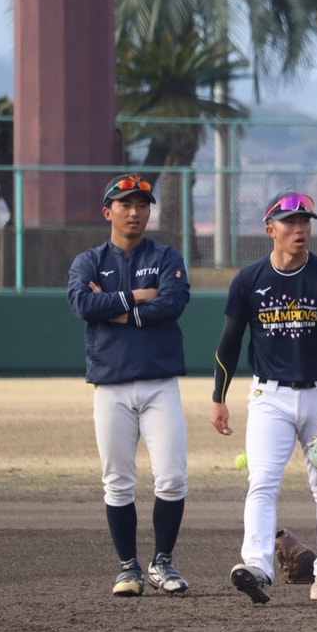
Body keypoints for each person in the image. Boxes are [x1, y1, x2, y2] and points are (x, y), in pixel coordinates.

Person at [211, 191, 317, 604]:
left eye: (305, 221)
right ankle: (257, 565)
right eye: (290, 222)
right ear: (269, 230)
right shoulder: (249, 280)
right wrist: (218, 397)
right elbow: (228, 343)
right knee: (261, 481)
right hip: (269, 396)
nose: (300, 229)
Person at [68, 173, 192, 597]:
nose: (135, 212)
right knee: (117, 481)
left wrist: (115, 307)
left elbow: (173, 303)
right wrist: (138, 296)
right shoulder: (88, 260)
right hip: (111, 385)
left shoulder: (166, 254)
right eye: (125, 204)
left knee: (172, 478)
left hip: (160, 383)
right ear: (108, 212)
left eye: (142, 205)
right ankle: (128, 567)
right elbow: (83, 304)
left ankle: (162, 562)